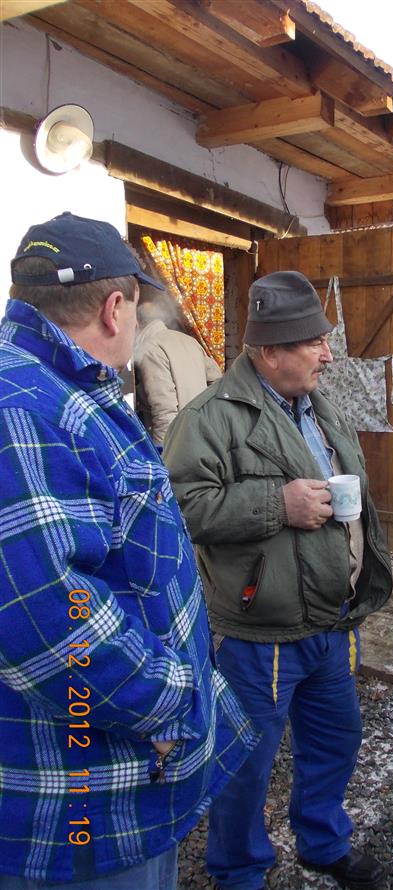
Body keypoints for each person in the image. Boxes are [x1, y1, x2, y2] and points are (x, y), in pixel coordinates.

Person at [0, 212, 256, 889]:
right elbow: (47, 619)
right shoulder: (24, 409)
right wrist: (168, 700)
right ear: (115, 308)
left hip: (111, 774)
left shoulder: (54, 387)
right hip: (81, 806)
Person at [163, 271, 393, 890]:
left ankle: (323, 842)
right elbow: (178, 509)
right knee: (246, 764)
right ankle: (239, 871)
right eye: (314, 343)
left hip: (334, 622)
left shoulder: (319, 406)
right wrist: (276, 505)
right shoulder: (208, 418)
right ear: (269, 351)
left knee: (336, 741)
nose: (328, 354)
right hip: (260, 635)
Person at [134, 283, 222, 445]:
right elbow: (218, 383)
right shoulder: (190, 341)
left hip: (178, 442)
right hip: (201, 434)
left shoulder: (149, 349)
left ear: (137, 323)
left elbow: (164, 413)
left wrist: (162, 455)